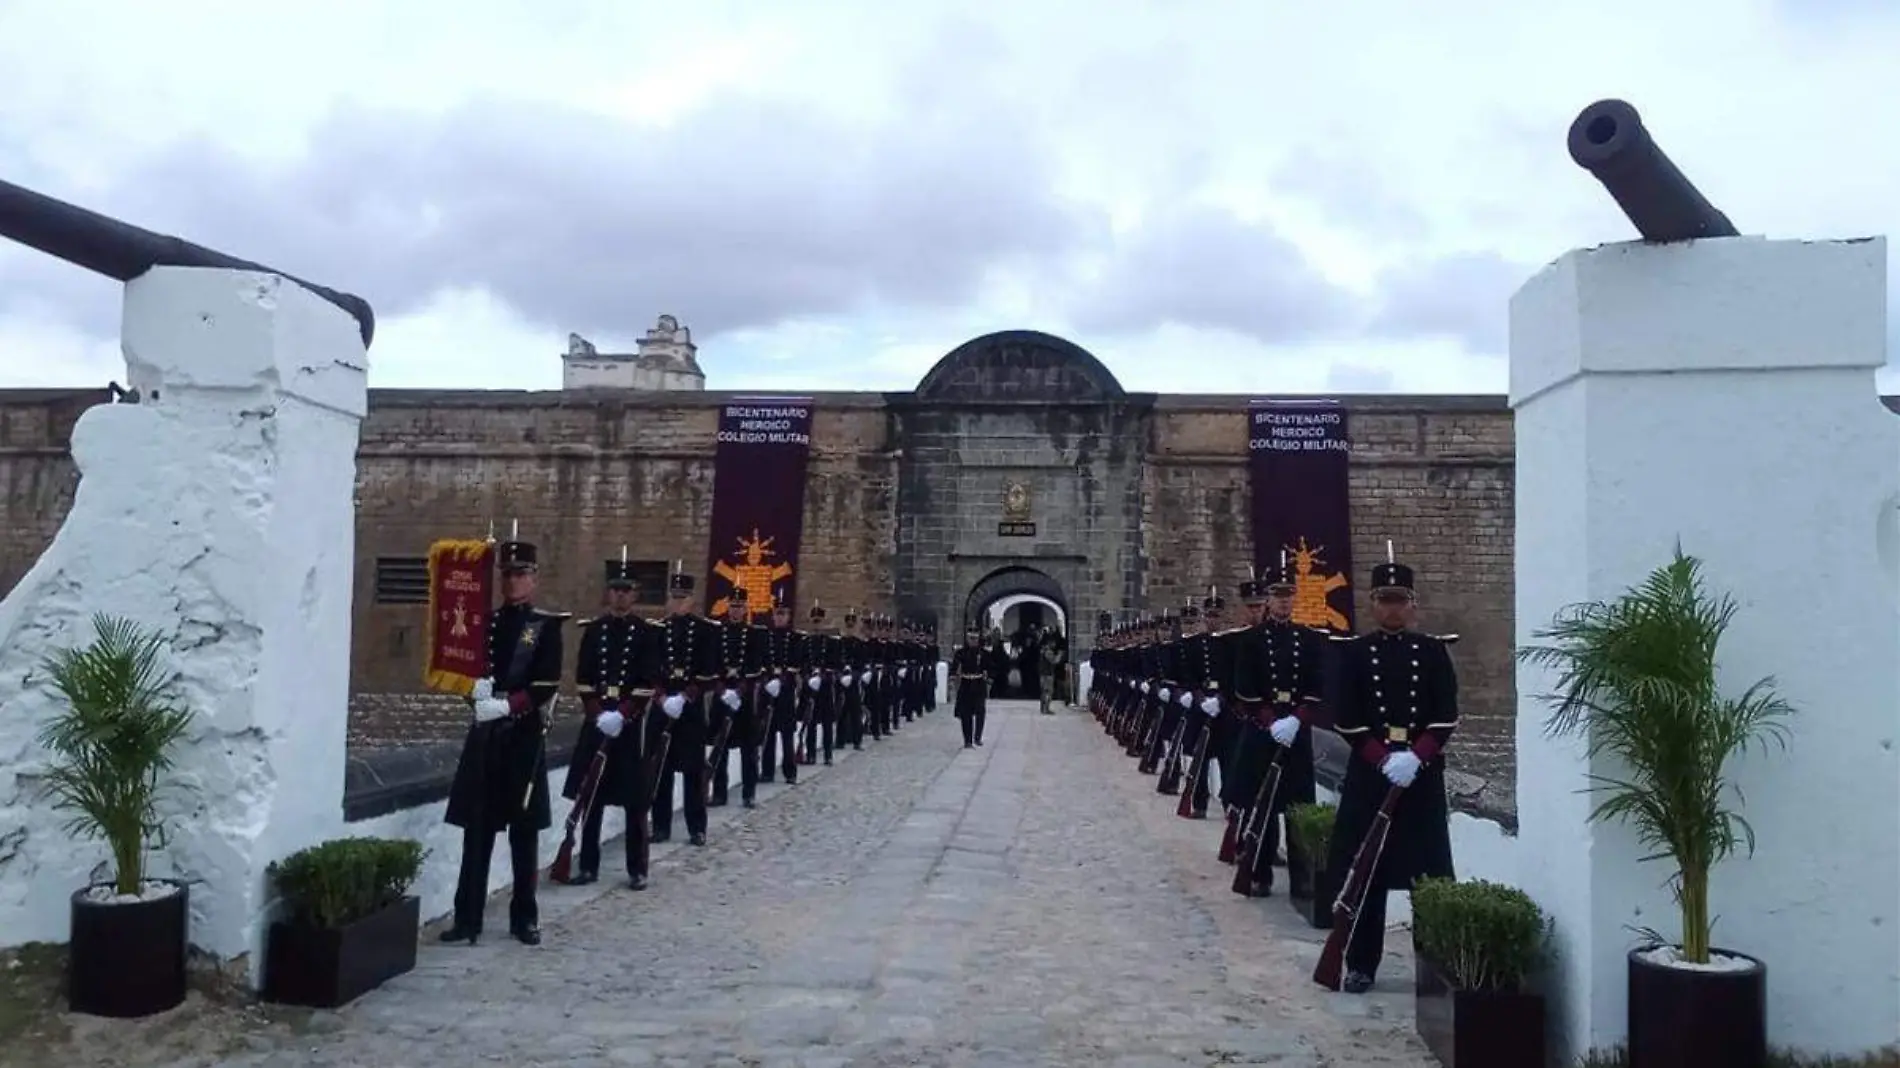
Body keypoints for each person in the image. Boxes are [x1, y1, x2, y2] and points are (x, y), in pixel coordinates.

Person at [1322, 556, 1459, 993]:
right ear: (1373, 603)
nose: (1393, 609)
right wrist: (1383, 759)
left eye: (1401, 601)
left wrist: (1415, 757)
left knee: (1429, 875)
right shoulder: (1356, 654)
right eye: (1385, 600)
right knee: (1367, 874)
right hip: (1371, 778)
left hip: (1420, 781)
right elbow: (1346, 717)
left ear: (1413, 604)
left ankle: (1433, 967)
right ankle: (1362, 964)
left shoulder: (1433, 652)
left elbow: (1446, 715)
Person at [441, 536, 566, 946]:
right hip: (485, 740)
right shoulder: (485, 623)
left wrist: (507, 707)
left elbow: (545, 684)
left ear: (534, 578)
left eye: (521, 574)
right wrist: (472, 694)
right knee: (476, 833)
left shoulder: (545, 627)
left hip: (522, 739)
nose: (513, 581)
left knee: (523, 836)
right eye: (508, 574)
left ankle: (524, 917)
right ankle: (467, 918)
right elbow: (463, 667)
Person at [1227, 563, 1327, 895]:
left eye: (1288, 595)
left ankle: (1302, 877)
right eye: (1277, 596)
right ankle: (1259, 870)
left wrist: (1296, 719)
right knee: (1263, 804)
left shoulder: (1309, 639)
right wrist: (1271, 721)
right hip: (1264, 728)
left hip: (1295, 731)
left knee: (1297, 805)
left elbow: (1317, 684)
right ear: (1267, 599)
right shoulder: (1252, 640)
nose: (1283, 602)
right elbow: (1245, 684)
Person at [561, 555, 658, 890]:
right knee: (592, 797)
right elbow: (583, 677)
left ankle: (637, 869)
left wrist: (625, 713)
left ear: (635, 595)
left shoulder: (647, 634)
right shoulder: (594, 631)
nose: (619, 596)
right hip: (599, 720)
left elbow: (649, 679)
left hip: (629, 727)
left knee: (635, 800)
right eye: (615, 590)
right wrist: (597, 713)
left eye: (626, 590)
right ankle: (588, 866)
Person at [651, 569, 715, 847]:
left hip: (689, 710)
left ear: (692, 600)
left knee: (693, 772)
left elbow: (709, 672)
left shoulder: (704, 631)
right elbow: (649, 670)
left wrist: (686, 697)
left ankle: (696, 827)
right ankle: (661, 825)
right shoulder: (657, 629)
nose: (677, 603)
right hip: (664, 708)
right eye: (673, 597)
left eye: (683, 597)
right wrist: (663, 699)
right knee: (661, 770)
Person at [708, 587, 762, 809]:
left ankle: (748, 793)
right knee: (720, 745)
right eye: (733, 606)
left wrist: (740, 691)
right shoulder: (716, 632)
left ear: (746, 608)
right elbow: (711, 663)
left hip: (743, 696)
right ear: (727, 606)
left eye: (740, 607)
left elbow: (757, 665)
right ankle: (720, 792)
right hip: (723, 694)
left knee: (748, 749)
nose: (736, 611)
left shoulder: (754, 634)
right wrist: (722, 690)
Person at [757, 590, 802, 785]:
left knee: (786, 735)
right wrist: (767, 680)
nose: (779, 617)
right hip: (769, 690)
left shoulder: (795, 638)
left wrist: (782, 679)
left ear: (789, 616)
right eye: (777, 613)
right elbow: (760, 661)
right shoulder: (765, 637)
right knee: (768, 733)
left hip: (785, 692)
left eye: (783, 613)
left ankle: (790, 771)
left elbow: (797, 664)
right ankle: (767, 771)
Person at [952, 622, 988, 747]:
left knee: (980, 712)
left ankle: (977, 737)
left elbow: (990, 667)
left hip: (978, 684)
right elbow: (954, 668)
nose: (973, 641)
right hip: (966, 684)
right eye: (971, 638)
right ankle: (967, 740)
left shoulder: (983, 653)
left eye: (975, 638)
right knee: (965, 714)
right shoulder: (961, 653)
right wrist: (953, 679)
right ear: (967, 638)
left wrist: (989, 678)